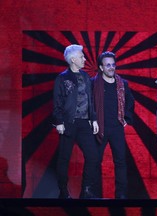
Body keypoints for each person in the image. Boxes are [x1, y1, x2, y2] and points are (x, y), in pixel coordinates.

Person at [53, 44, 99, 199]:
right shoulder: (62, 78)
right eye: (81, 57)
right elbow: (57, 101)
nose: (84, 59)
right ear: (73, 59)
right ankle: (63, 191)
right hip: (68, 122)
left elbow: (90, 100)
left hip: (84, 123)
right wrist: (59, 121)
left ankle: (86, 190)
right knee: (64, 157)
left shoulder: (86, 77)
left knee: (93, 156)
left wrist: (94, 119)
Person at [92, 51, 134, 199]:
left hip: (116, 128)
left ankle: (121, 195)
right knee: (95, 161)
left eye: (113, 64)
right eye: (107, 65)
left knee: (121, 161)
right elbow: (89, 104)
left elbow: (130, 102)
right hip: (99, 128)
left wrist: (126, 118)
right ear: (101, 68)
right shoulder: (93, 83)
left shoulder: (122, 84)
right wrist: (93, 120)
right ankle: (94, 194)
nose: (111, 67)